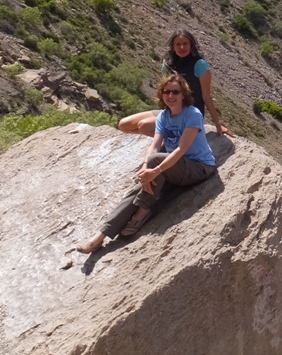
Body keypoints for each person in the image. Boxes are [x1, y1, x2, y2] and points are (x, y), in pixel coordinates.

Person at [77, 74, 217, 253]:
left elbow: (181, 149)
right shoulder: (164, 117)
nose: (171, 96)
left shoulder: (193, 114)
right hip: (175, 168)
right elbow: (155, 145)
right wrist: (145, 169)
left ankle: (143, 210)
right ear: (161, 94)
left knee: (153, 165)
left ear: (183, 95)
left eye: (175, 92)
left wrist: (155, 169)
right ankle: (100, 236)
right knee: (140, 184)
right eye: (167, 92)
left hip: (199, 167)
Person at [118, 30, 233, 137]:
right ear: (172, 47)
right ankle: (170, 137)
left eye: (185, 43)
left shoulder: (199, 64)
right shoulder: (168, 65)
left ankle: (174, 141)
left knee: (144, 126)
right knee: (124, 125)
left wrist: (217, 125)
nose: (182, 47)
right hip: (170, 112)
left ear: (191, 45)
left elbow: (206, 96)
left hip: (189, 115)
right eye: (178, 44)